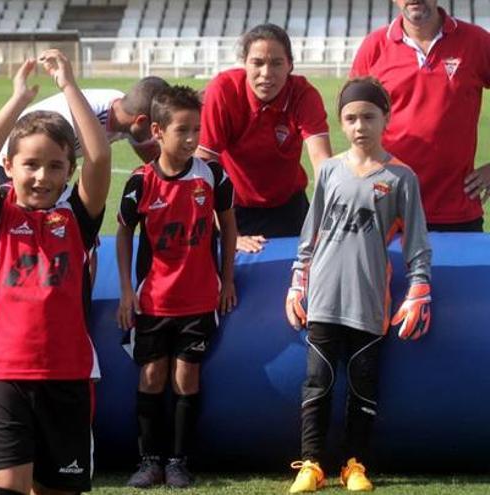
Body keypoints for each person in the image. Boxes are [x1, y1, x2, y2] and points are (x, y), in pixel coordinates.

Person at [0, 49, 110, 495]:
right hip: (3, 373)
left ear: (69, 172)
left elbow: (100, 158)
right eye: (30, 164)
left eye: (55, 166)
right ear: (9, 168)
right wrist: (17, 102)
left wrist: (69, 86)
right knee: (4, 487)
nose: (42, 176)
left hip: (68, 375)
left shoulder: (78, 220)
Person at [285, 78, 432, 493]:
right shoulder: (329, 170)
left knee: (364, 386)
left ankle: (355, 465)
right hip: (324, 298)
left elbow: (418, 242)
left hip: (369, 300)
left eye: (368, 116)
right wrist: (298, 281)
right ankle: (311, 464)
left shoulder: (402, 177)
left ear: (386, 117)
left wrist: (420, 285)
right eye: (350, 118)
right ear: (341, 123)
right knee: (317, 381)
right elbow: (311, 233)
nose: (359, 126)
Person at [116, 85, 236, 489]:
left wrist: (228, 279)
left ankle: (179, 462)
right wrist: (126, 291)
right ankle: (149, 459)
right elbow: (122, 233)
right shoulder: (140, 181)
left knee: (187, 379)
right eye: (182, 130)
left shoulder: (213, 174)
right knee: (151, 377)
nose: (191, 139)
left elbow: (230, 226)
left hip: (200, 299)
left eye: (196, 130)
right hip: (153, 301)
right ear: (157, 130)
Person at [350, 0, 490, 231]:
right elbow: (353, 118)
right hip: (387, 206)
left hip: (456, 208)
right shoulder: (374, 46)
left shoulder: (475, 41)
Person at [198, 23, 333, 252]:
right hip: (233, 209)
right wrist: (230, 233)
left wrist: (329, 219)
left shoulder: (303, 94)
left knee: (302, 278)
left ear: (290, 65)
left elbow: (323, 161)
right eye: (258, 63)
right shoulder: (223, 90)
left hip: (289, 206)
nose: (266, 73)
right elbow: (204, 165)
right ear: (245, 63)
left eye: (277, 63)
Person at [0, 76, 170, 183]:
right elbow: (39, 168)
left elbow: (156, 162)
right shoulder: (72, 120)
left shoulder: (127, 112)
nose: (157, 135)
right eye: (156, 128)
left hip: (48, 165)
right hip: (13, 163)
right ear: (141, 121)